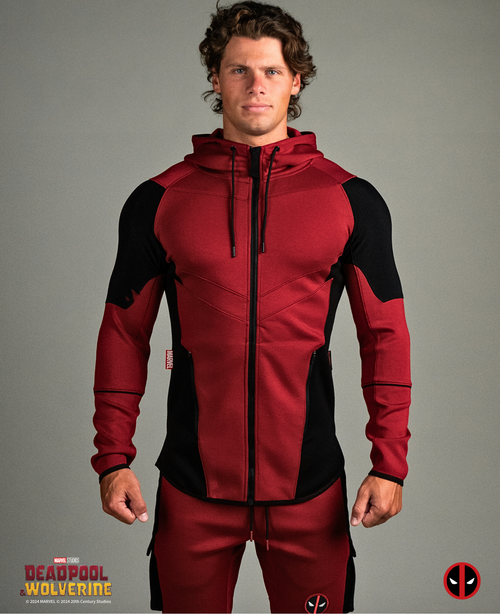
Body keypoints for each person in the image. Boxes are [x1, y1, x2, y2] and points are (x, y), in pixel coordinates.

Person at [92, 2, 411, 612]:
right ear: (215, 78)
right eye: (239, 69)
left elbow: (385, 336)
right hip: (191, 487)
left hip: (310, 488)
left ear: (297, 80)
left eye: (271, 70)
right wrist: (113, 458)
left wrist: (390, 465)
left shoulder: (351, 199)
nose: (255, 85)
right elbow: (123, 334)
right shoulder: (159, 200)